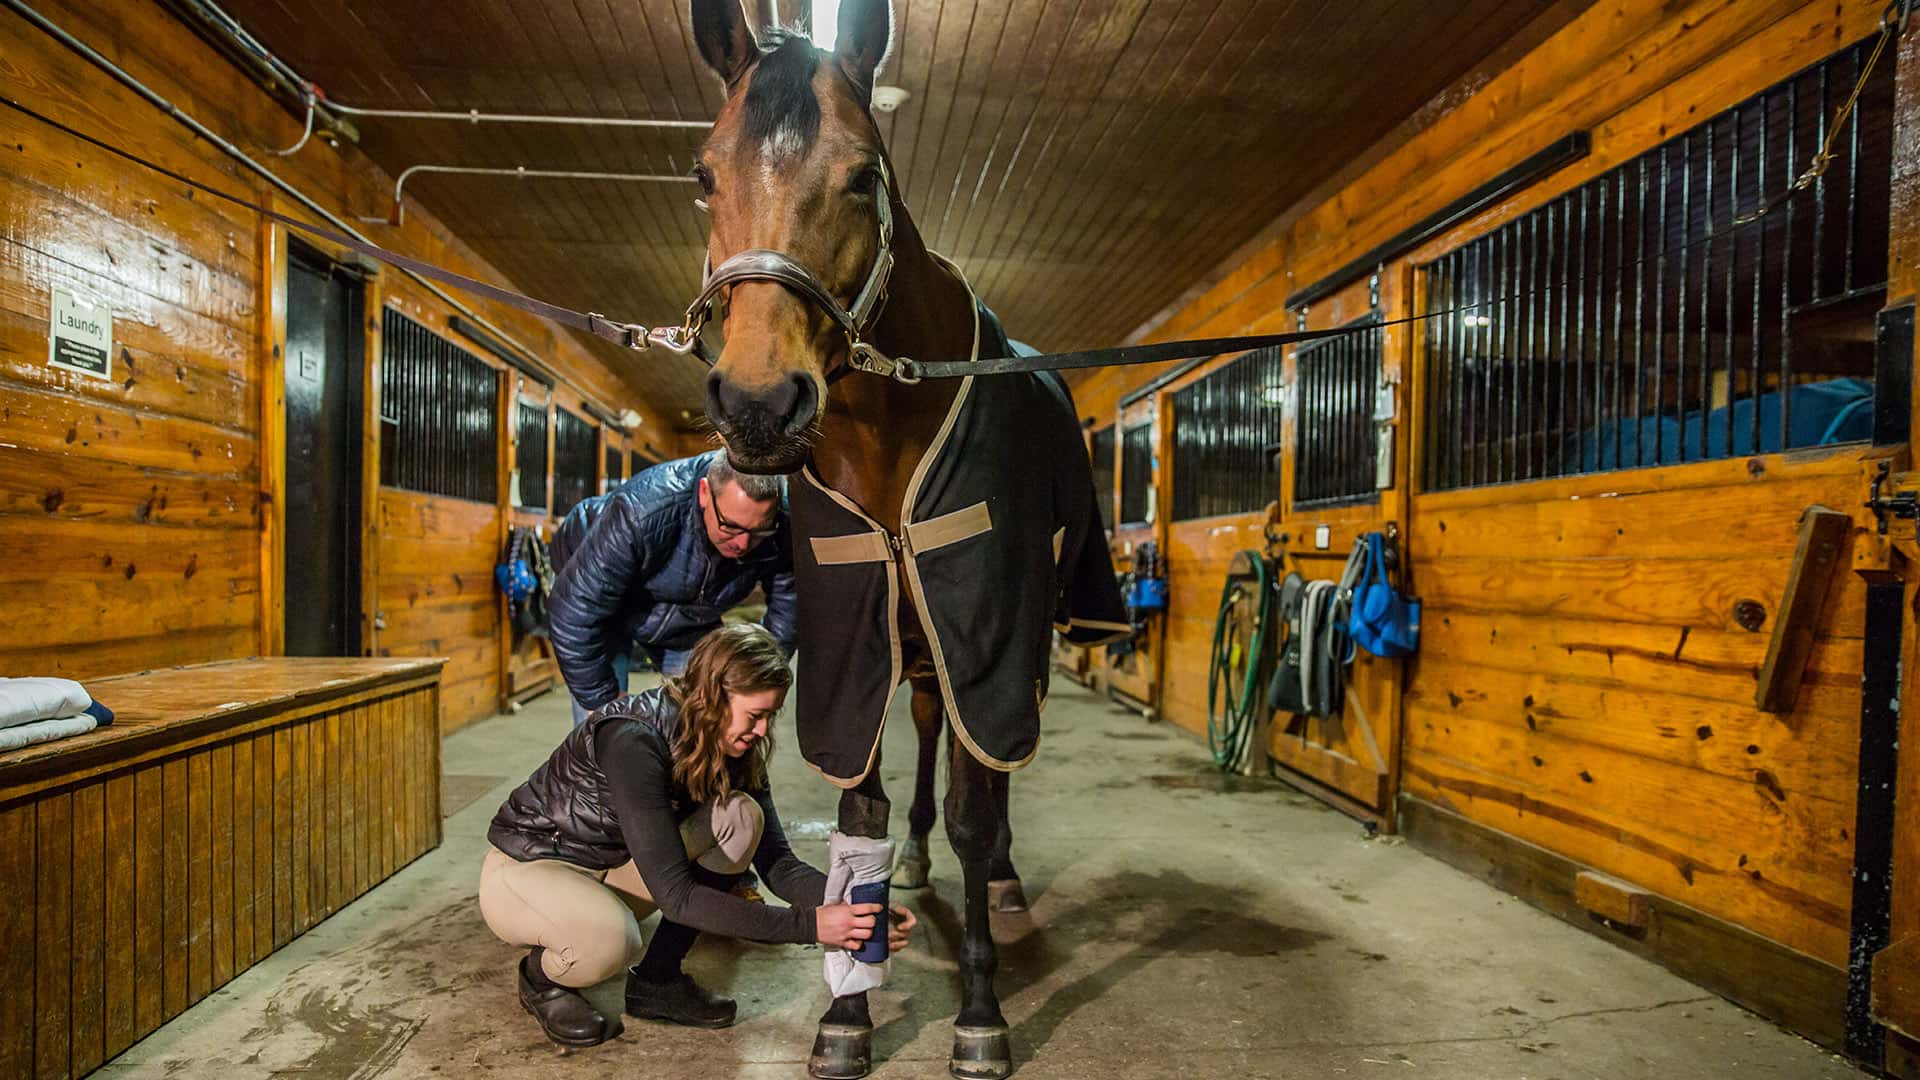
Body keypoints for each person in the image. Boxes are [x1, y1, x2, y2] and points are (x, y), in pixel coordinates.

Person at [479, 623, 916, 1047]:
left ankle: (657, 981)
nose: (763, 730)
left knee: (740, 817)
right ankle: (539, 978)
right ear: (711, 697)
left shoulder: (733, 744)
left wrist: (858, 904)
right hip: (531, 865)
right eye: (755, 715)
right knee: (609, 943)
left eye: (770, 716)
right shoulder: (633, 739)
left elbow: (778, 865)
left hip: (610, 864)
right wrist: (812, 925)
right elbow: (677, 895)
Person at [549, 451, 797, 727]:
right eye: (731, 526)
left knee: (705, 720)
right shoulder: (640, 511)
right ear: (705, 492)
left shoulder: (781, 524)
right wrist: (600, 699)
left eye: (758, 531)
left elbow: (790, 606)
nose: (742, 543)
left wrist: (758, 671)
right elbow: (574, 613)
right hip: (603, 612)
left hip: (688, 616)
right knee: (607, 728)